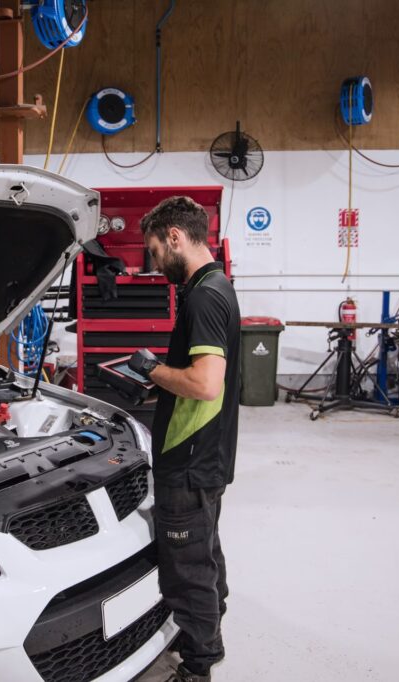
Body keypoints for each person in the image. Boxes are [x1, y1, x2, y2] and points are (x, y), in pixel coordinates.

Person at [128, 196, 241, 682]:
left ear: (175, 237)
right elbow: (204, 376)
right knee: (205, 552)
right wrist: (160, 383)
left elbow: (205, 383)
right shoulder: (217, 285)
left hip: (190, 458)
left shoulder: (203, 297)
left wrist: (151, 368)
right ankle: (210, 627)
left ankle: (198, 665)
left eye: (155, 251)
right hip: (207, 453)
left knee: (186, 570)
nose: (155, 264)